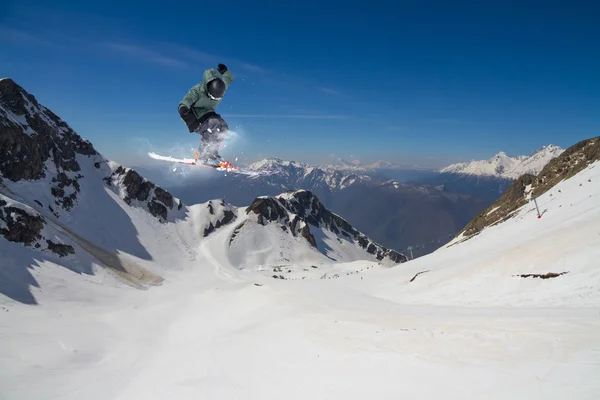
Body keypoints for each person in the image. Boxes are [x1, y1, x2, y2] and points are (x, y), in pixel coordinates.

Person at [178, 64, 234, 165]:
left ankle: (213, 153)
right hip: (192, 115)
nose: (214, 100)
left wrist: (226, 72)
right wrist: (183, 109)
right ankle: (203, 156)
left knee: (223, 127)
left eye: (217, 99)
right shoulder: (197, 90)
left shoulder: (222, 86)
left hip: (208, 112)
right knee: (213, 125)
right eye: (212, 97)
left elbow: (227, 79)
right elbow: (186, 100)